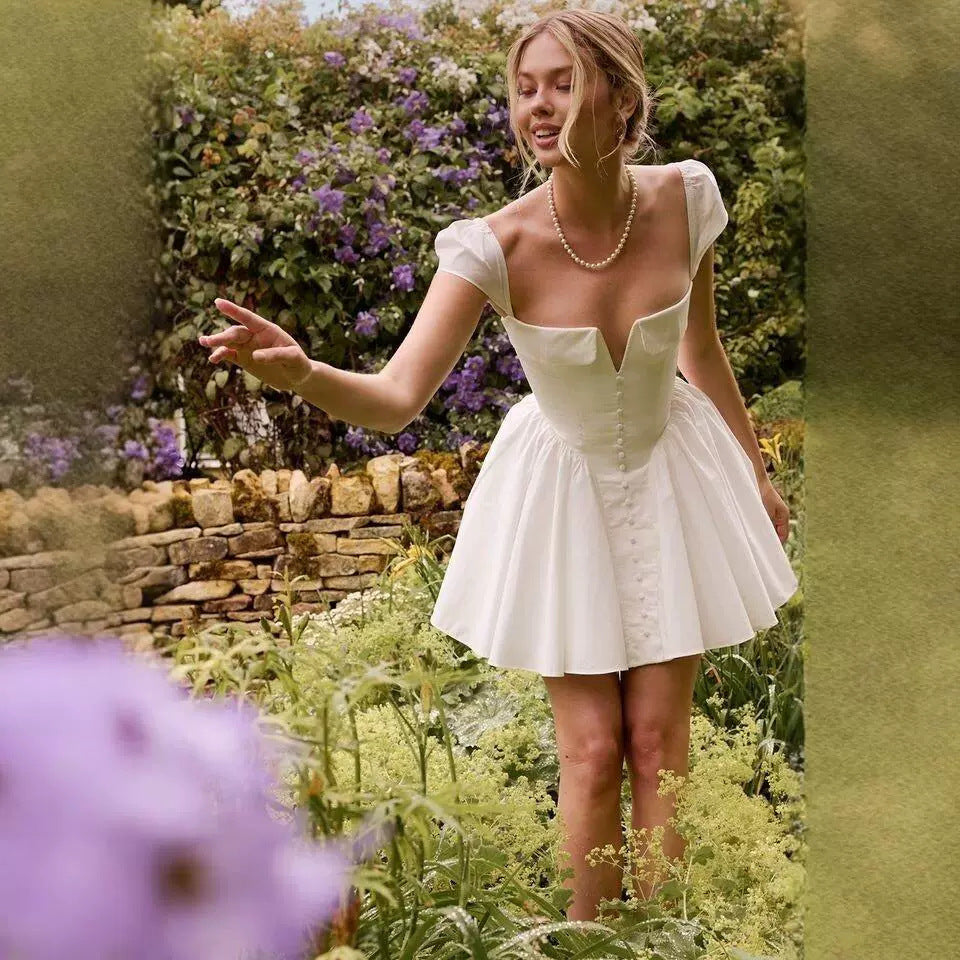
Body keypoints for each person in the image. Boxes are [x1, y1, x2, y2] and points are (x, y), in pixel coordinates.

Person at [198, 9, 799, 925]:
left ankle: (665, 941)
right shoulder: (493, 246)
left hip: (670, 474)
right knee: (593, 753)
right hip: (565, 495)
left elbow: (702, 349)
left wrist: (755, 473)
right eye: (524, 90)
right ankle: (587, 943)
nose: (538, 106)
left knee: (659, 741)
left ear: (621, 97)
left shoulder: (687, 199)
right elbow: (396, 396)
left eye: (562, 83)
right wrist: (305, 373)